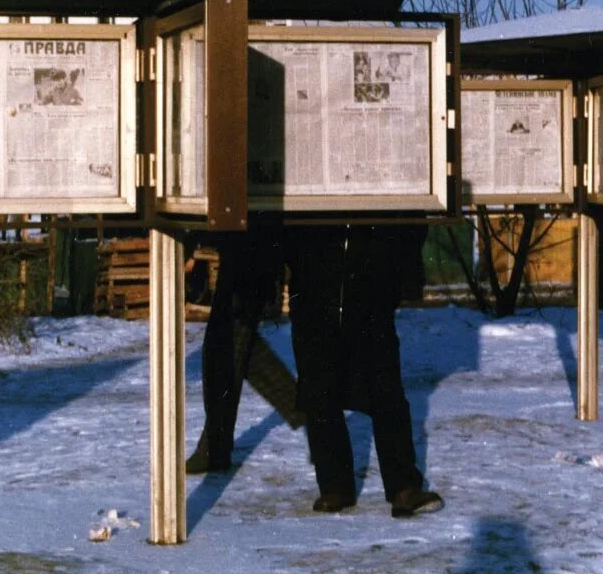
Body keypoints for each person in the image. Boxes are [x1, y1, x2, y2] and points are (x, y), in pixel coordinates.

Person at [286, 223, 443, 517]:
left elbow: (413, 220)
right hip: (314, 287)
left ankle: (403, 486)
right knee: (318, 388)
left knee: (386, 389)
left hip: (371, 288)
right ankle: (334, 485)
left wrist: (398, 274)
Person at [185, 221, 286, 473]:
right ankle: (304, 407)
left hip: (249, 259)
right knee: (234, 351)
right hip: (249, 256)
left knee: (225, 351)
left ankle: (214, 449)